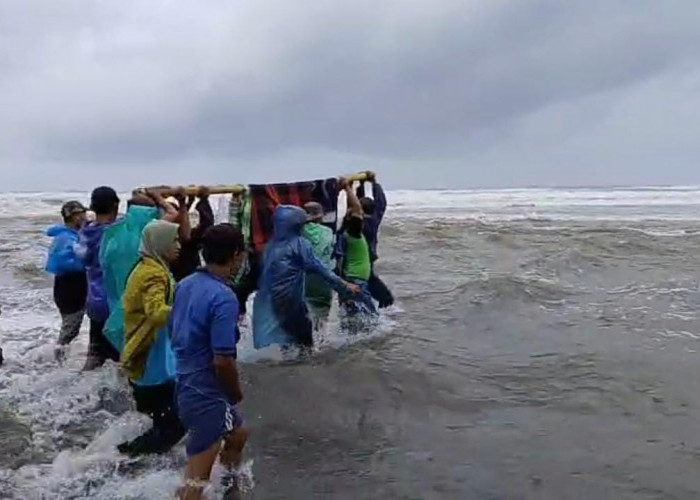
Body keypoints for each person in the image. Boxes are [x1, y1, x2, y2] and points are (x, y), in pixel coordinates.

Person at [170, 224, 249, 500]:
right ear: (237, 256)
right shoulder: (224, 298)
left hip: (184, 382)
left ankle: (230, 486)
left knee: (239, 433)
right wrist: (234, 393)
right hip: (207, 392)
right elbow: (223, 361)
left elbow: (174, 331)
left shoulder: (185, 284)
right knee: (195, 483)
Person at [118, 219, 185, 456]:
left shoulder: (151, 266)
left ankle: (138, 456)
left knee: (164, 420)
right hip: (151, 360)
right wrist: (187, 310)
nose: (179, 245)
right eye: (173, 240)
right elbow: (156, 311)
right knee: (175, 423)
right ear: (159, 243)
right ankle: (128, 456)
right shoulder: (153, 274)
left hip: (154, 354)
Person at [252, 205, 360, 352]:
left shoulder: (270, 246)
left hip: (266, 301)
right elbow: (321, 269)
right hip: (288, 300)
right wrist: (345, 286)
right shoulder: (299, 244)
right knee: (304, 343)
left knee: (280, 342)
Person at [81, 187, 123, 370]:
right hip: (113, 303)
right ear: (115, 205)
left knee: (96, 356)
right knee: (118, 361)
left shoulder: (86, 232)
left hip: (94, 300)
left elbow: (82, 259)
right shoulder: (115, 233)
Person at [46, 201, 88, 359]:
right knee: (71, 327)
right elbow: (64, 264)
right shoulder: (65, 238)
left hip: (71, 286)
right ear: (75, 217)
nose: (84, 216)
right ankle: (57, 359)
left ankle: (60, 356)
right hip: (70, 289)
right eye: (81, 214)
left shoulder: (72, 235)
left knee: (71, 326)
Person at [334, 181, 378, 326]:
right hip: (355, 280)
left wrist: (350, 189)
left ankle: (351, 346)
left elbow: (354, 209)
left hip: (348, 280)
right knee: (371, 320)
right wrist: (347, 188)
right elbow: (357, 209)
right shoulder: (354, 233)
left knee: (350, 319)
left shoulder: (345, 232)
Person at [356, 171, 394, 308]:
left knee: (366, 279)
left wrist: (360, 185)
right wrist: (373, 183)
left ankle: (384, 299)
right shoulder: (373, 220)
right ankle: (384, 300)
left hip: (357, 257)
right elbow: (381, 203)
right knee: (368, 277)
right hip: (368, 255)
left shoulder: (355, 220)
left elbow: (355, 204)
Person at [302, 202, 335, 331]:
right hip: (324, 279)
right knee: (322, 316)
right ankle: (320, 344)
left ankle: (305, 345)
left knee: (305, 312)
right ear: (320, 217)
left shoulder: (299, 232)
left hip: (305, 279)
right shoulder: (328, 232)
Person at [170, 187, 215, 282]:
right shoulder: (185, 240)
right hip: (185, 276)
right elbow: (207, 223)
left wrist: (189, 202)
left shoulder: (164, 240)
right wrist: (204, 200)